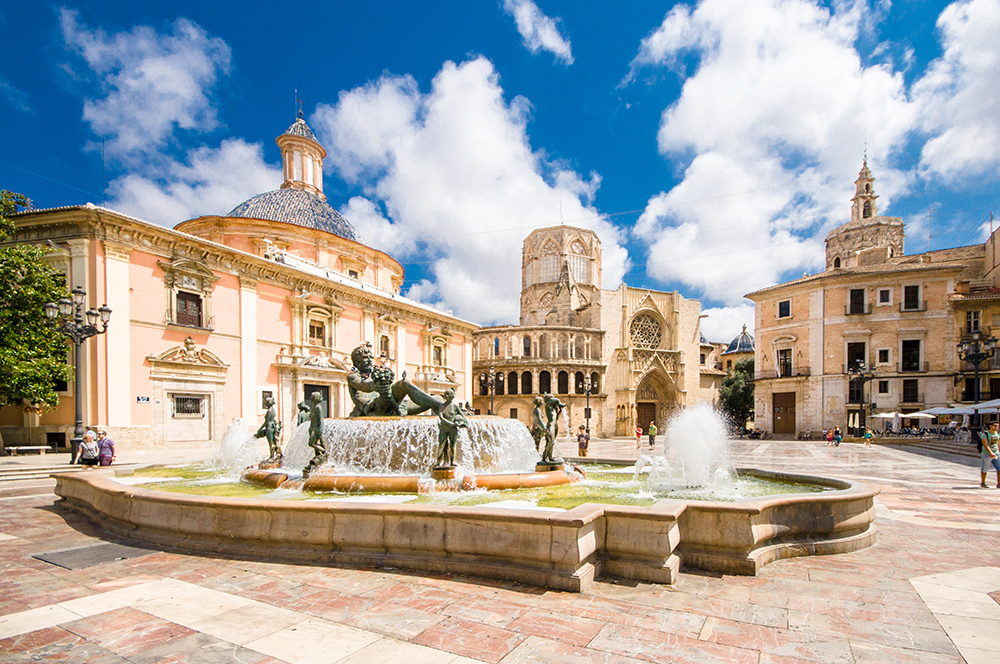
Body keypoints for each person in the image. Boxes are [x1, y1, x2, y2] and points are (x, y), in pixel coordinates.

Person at [435, 389, 468, 468]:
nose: (447, 396)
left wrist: (465, 423)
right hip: (444, 428)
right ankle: (438, 462)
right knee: (441, 445)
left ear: (452, 396)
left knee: (453, 446)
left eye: (449, 394)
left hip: (453, 429)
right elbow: (440, 417)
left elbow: (462, 415)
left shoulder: (454, 406)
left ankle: (452, 461)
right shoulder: (441, 406)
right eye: (446, 394)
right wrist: (451, 423)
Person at [980, 421, 1000, 488]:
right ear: (990, 426)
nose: (996, 427)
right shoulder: (985, 434)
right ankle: (983, 483)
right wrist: (990, 452)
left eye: (997, 425)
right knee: (985, 468)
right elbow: (985, 445)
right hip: (987, 454)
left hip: (996, 453)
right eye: (995, 425)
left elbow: (998, 443)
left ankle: (999, 484)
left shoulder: (997, 434)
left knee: (999, 468)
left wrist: (998, 452)